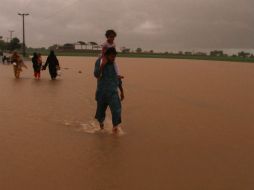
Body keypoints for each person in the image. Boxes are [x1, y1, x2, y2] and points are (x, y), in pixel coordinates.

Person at [94, 47, 125, 134]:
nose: (113, 58)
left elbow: (118, 79)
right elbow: (96, 74)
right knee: (100, 113)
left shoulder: (114, 64)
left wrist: (122, 91)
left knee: (117, 111)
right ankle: (101, 128)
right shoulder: (99, 61)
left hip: (113, 93)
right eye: (112, 56)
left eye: (114, 56)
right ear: (107, 55)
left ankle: (115, 128)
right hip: (102, 92)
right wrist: (102, 65)